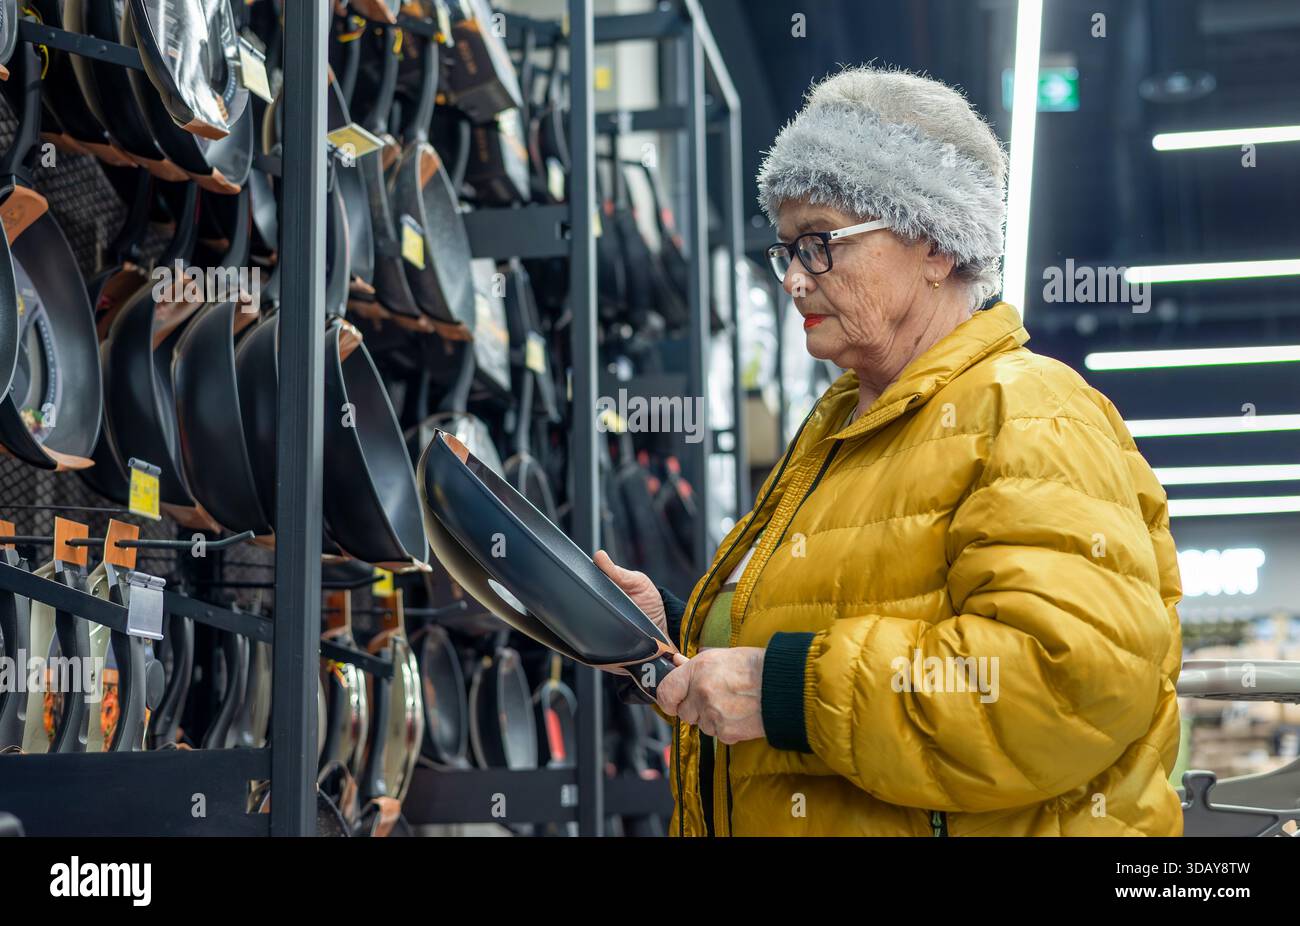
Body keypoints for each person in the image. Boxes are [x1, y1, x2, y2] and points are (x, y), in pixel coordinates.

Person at [596, 66, 1184, 836]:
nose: (794, 283)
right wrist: (674, 637)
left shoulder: (1032, 410)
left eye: (819, 244)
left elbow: (1067, 682)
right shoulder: (842, 425)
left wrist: (788, 692)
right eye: (786, 251)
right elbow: (830, 623)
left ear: (935, 243)